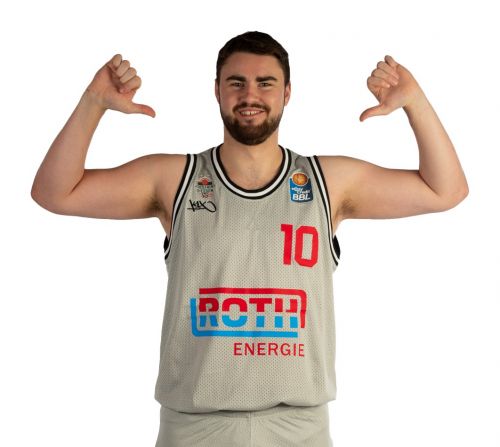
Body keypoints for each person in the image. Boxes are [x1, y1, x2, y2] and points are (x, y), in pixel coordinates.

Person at [31, 31, 468, 447]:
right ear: (217, 91)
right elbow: (55, 193)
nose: (250, 95)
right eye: (236, 82)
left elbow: (445, 190)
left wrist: (415, 101)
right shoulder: (175, 178)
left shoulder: (328, 182)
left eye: (266, 83)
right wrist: (93, 103)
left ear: (287, 93)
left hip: (299, 428)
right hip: (195, 428)